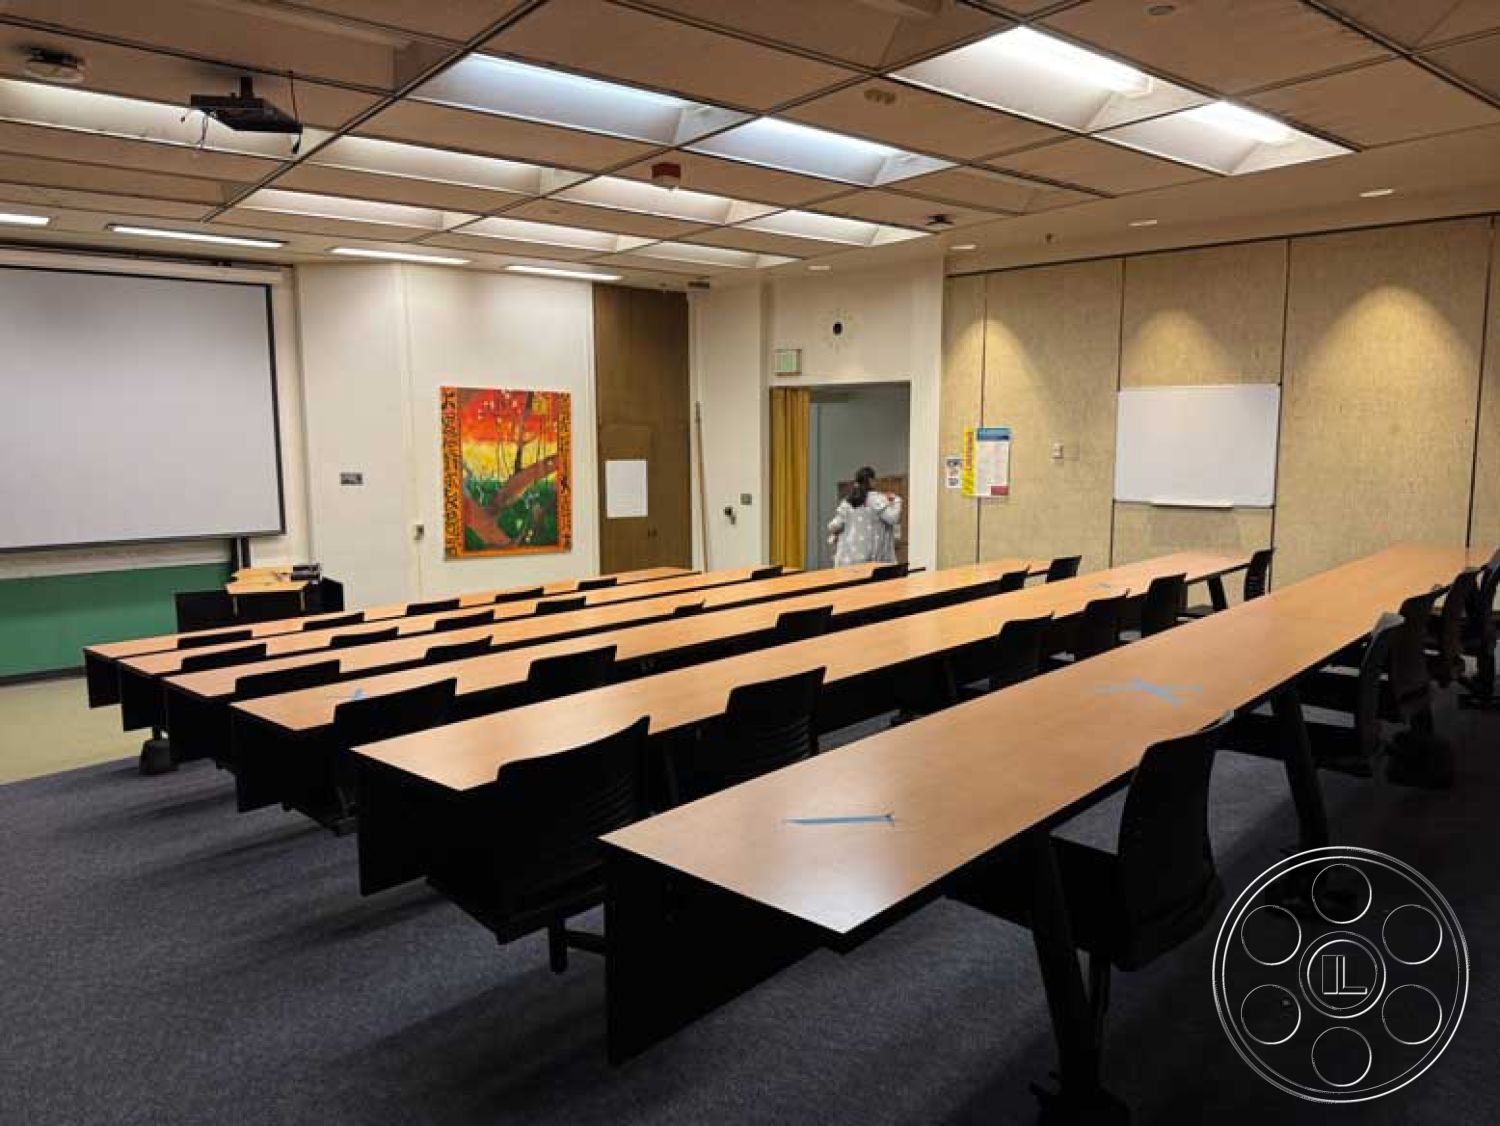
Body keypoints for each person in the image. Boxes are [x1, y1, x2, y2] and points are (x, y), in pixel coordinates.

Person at [827, 466, 902, 566]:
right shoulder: (877, 500)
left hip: (847, 560)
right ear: (871, 481)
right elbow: (893, 518)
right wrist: (897, 500)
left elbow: (833, 526)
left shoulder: (848, 502)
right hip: (872, 561)